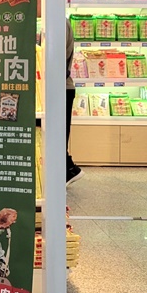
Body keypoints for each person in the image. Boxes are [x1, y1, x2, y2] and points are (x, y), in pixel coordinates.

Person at [65, 20, 84, 185]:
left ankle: (69, 170)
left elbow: (56, 60)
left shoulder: (56, 21)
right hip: (60, 88)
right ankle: (68, 170)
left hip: (60, 89)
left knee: (55, 137)